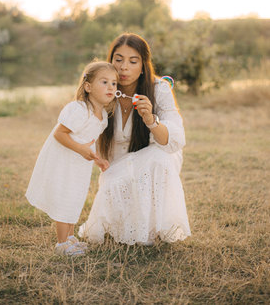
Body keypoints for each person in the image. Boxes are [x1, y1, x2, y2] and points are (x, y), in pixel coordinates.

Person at [79, 33, 191, 245]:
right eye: (118, 59)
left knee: (160, 159)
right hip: (118, 161)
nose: (123, 67)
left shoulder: (159, 89)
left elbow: (175, 140)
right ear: (110, 61)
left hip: (159, 155)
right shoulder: (102, 87)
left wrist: (150, 119)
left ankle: (158, 228)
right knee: (117, 216)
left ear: (143, 66)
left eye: (133, 61)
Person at [25, 61, 118, 256]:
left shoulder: (103, 116)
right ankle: (61, 244)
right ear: (88, 86)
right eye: (104, 82)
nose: (111, 87)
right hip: (64, 161)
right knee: (64, 197)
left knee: (75, 197)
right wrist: (79, 149)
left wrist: (97, 159)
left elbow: (89, 143)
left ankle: (69, 237)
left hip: (79, 164)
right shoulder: (79, 109)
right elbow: (60, 134)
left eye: (114, 83)